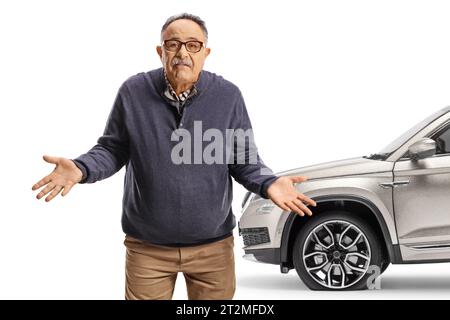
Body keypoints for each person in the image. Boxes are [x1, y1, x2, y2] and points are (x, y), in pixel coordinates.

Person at [31, 13, 316, 300]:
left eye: (193, 45)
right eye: (173, 44)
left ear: (206, 52)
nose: (182, 53)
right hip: (148, 249)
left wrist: (269, 183)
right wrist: (81, 168)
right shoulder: (133, 91)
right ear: (160, 51)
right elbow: (112, 148)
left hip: (213, 249)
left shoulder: (228, 95)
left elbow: (244, 159)